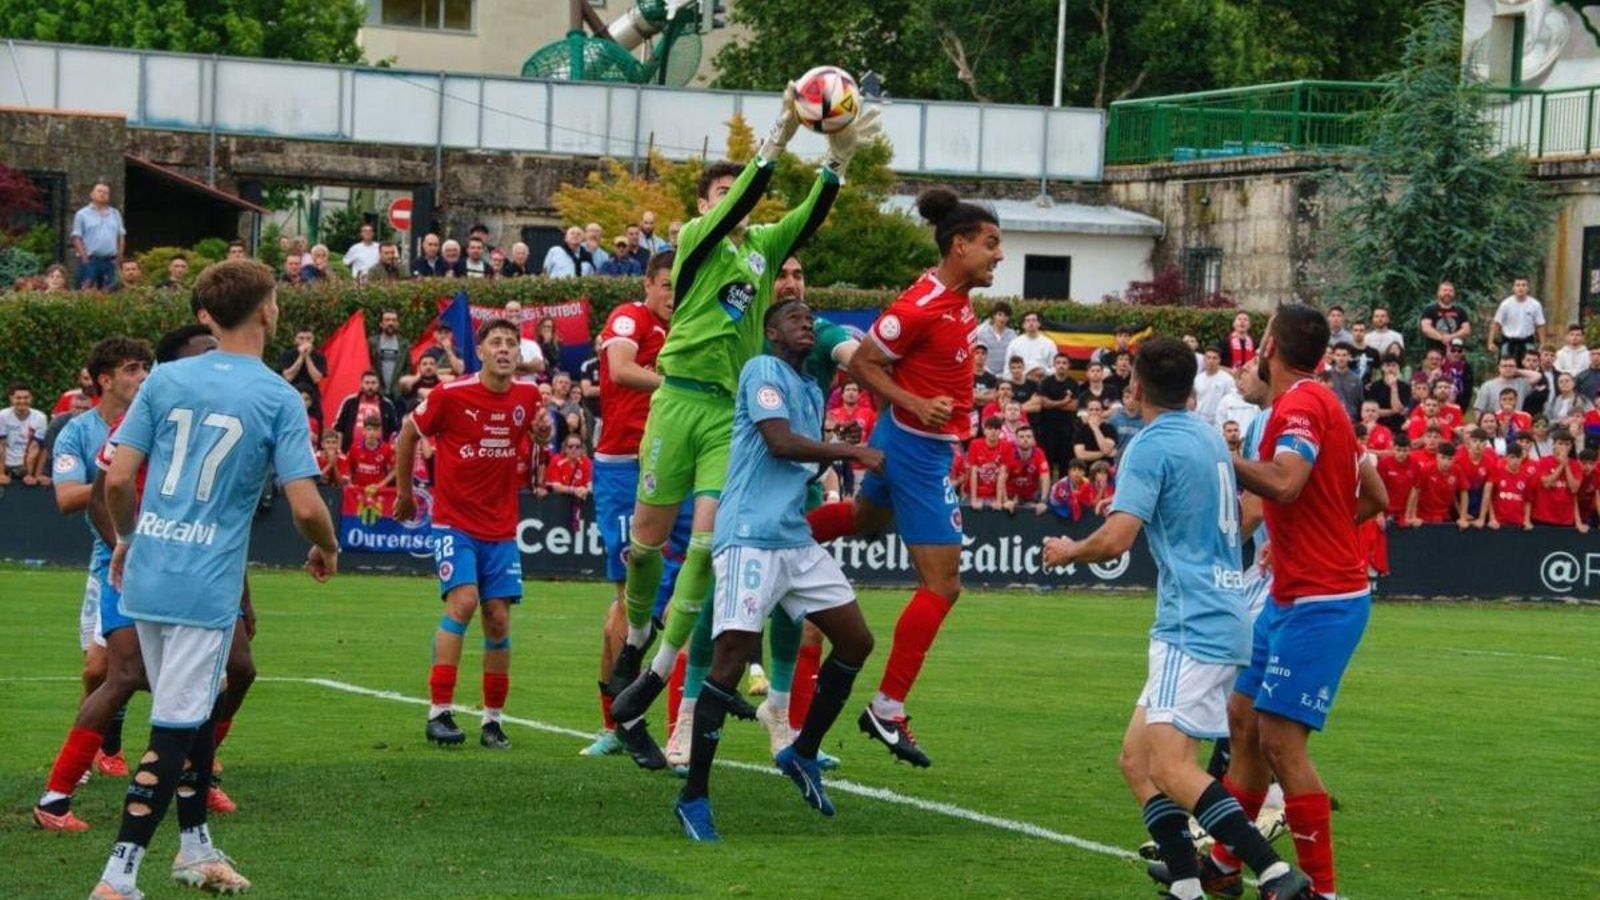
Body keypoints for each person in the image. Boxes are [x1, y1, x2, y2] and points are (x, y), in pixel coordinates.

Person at [605, 91, 875, 764]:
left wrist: (836, 162)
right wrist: (776, 140)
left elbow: (807, 217)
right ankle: (636, 638)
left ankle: (657, 674)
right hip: (677, 402)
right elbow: (744, 197)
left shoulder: (761, 249)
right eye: (722, 194)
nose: (736, 204)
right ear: (704, 205)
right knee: (646, 546)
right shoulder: (696, 241)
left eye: (738, 194)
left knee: (705, 547)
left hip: (728, 412)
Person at [89, 260, 339, 899]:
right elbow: (306, 506)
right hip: (204, 585)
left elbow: (118, 479)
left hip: (148, 571)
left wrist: (126, 540)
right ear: (266, 310)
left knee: (197, 703)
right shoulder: (277, 396)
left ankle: (196, 849)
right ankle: (117, 878)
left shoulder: (166, 378)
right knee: (174, 728)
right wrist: (327, 546)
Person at [1043, 336, 1314, 900]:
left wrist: (1070, 550)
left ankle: (1272, 872)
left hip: (1191, 623)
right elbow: (1236, 516)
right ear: (1190, 387)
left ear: (1136, 386)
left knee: (1170, 768)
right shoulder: (1209, 436)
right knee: (1135, 760)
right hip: (1223, 610)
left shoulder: (1149, 446)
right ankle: (1188, 885)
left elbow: (1118, 538)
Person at [672, 298, 882, 841]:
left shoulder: (811, 389)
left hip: (792, 535)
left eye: (810, 319)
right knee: (730, 660)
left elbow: (802, 456)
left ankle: (802, 752)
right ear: (770, 332)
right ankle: (693, 797)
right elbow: (779, 442)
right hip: (748, 535)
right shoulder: (761, 369)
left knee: (856, 641)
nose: (806, 323)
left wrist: (840, 449)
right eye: (794, 319)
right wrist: (850, 452)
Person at [803, 186, 998, 768]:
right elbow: (864, 363)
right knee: (944, 584)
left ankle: (777, 536)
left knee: (864, 520)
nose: (999, 255)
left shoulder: (953, 296)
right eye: (990, 244)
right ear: (959, 246)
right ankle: (887, 708)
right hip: (918, 450)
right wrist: (916, 403)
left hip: (906, 441)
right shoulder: (919, 307)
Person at [1220, 304, 1387, 900]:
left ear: (1268, 346)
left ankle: (1323, 891)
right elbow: (1375, 493)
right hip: (1290, 595)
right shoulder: (1323, 402)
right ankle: (1223, 862)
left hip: (1323, 600)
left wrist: (1218, 458)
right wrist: (1314, 533)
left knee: (1280, 741)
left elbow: (1286, 483)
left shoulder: (1300, 407)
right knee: (1243, 722)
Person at [395, 319, 551, 749]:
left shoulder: (528, 396)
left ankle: (493, 721)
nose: (504, 349)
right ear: (480, 352)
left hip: (500, 527)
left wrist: (543, 434)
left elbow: (539, 440)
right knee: (464, 602)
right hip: (455, 522)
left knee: (498, 617)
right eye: (495, 342)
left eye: (511, 344)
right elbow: (408, 434)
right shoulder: (450, 394)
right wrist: (405, 493)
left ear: (518, 354)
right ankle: (439, 712)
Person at [30, 337, 152, 833]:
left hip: (159, 557)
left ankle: (186, 762)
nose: (142, 377)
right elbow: (65, 499)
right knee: (101, 669)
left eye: (145, 367)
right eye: (131, 369)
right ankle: (101, 748)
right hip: (110, 560)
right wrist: (113, 475)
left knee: (136, 670)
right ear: (105, 380)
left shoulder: (155, 419)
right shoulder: (77, 432)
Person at [583, 251, 695, 761]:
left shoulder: (689, 328)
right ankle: (616, 722)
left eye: (680, 285)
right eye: (667, 284)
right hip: (625, 467)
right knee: (629, 603)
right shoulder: (630, 317)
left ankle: (676, 731)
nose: (673, 294)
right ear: (647, 284)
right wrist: (679, 384)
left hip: (676, 466)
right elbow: (622, 369)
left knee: (685, 596)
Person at [71, 182, 126, 290]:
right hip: (91, 261)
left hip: (110, 262)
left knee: (111, 294)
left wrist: (119, 257)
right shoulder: (82, 214)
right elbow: (76, 237)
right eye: (99, 191)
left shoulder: (115, 214)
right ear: (92, 194)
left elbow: (121, 236)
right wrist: (85, 259)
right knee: (86, 293)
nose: (102, 194)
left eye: (106, 192)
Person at [1034, 353, 1079, 476]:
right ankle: (1046, 486)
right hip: (1047, 428)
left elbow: (1073, 406)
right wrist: (1063, 402)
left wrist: (1053, 403)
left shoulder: (1073, 384)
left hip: (1067, 429)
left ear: (1069, 366)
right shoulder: (1046, 382)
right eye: (1058, 363)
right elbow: (1044, 404)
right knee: (1047, 461)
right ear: (1054, 364)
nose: (1061, 365)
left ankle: (1063, 486)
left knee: (1065, 463)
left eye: (1064, 363)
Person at [333, 372, 400, 451]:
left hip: (380, 454)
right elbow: (338, 428)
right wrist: (338, 450)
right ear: (361, 384)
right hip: (349, 452)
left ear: (378, 384)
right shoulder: (350, 402)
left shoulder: (387, 404)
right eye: (367, 383)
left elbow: (394, 431)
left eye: (373, 383)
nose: (370, 386)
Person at [1530, 428, 1583, 527]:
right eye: (1560, 443)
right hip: (1543, 517)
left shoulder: (1576, 465)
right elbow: (1546, 483)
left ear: (1571, 446)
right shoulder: (1543, 461)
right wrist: (1562, 465)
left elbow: (1574, 489)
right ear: (1553, 445)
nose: (1564, 447)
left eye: (1567, 444)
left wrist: (1567, 466)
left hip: (1565, 519)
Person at [0, 382, 49, 485]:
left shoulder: (40, 417)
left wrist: (30, 475)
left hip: (25, 465)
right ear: (11, 398)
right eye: (18, 398)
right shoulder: (2, 416)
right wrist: (1, 474)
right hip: (6, 464)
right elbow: (1, 445)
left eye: (26, 398)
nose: (22, 401)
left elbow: (35, 447)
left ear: (31, 398)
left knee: (44, 447)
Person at [1489, 277, 1545, 361]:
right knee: (1506, 366)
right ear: (1513, 288)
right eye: (1518, 285)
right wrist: (1490, 342)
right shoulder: (1506, 304)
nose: (1520, 288)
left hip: (1527, 341)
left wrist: (1542, 344)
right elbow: (1496, 324)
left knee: (1530, 366)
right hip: (1509, 341)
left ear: (1528, 288)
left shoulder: (1535, 305)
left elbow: (1540, 325)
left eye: (1523, 285)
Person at [1486, 443, 1534, 530]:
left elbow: (1527, 501)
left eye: (1518, 457)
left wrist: (1526, 520)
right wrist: (1492, 518)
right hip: (1498, 524)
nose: (1515, 461)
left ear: (1522, 458)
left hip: (1518, 524)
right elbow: (1488, 498)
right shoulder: (1497, 473)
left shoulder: (1526, 477)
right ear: (1506, 457)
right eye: (1512, 457)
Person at [1004, 424, 1050, 514]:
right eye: (1021, 437)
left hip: (1032, 495)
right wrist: (1005, 500)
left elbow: (1045, 477)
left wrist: (1043, 501)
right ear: (1016, 440)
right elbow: (1001, 478)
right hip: (1011, 495)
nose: (1025, 439)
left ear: (1033, 439)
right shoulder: (1009, 453)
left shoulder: (1039, 453)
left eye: (1029, 437)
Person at [278, 327, 328, 409]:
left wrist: (307, 357)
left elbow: (316, 378)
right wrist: (301, 356)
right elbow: (288, 377)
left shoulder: (319, 356)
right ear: (295, 340)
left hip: (312, 397)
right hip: (291, 395)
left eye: (308, 338)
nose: (305, 341)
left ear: (313, 339)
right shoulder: (287, 355)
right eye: (301, 338)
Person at [1420, 280, 1471, 354]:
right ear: (1438, 293)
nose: (1447, 293)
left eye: (1450, 291)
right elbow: (1426, 329)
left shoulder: (1460, 311)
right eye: (1444, 290)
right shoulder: (1429, 310)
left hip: (1455, 352)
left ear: (1454, 293)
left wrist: (1451, 337)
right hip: (1434, 352)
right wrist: (1442, 338)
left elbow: (1466, 330)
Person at [346, 415, 396, 490]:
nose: (372, 433)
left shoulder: (386, 448)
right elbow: (348, 468)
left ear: (379, 432)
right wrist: (350, 483)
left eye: (375, 430)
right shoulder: (354, 448)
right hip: (358, 490)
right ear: (364, 431)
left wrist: (381, 484)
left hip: (377, 490)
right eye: (369, 429)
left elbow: (395, 470)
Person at [1004, 312, 1057, 380]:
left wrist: (1044, 371)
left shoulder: (1049, 343)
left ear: (1039, 324)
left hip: (1042, 381)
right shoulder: (1014, 343)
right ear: (1023, 325)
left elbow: (1055, 368)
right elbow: (1007, 370)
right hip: (1021, 382)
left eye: (1034, 320)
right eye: (1028, 320)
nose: (1031, 323)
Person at [1192, 349, 1237, 427]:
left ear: (1219, 360)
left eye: (1214, 358)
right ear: (1204, 359)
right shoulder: (1198, 379)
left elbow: (1231, 402)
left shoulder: (1227, 380)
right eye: (1208, 357)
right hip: (1199, 420)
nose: (1211, 361)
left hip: (1217, 422)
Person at [974, 301, 1016, 376]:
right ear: (994, 316)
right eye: (999, 314)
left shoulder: (1013, 335)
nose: (1002, 318)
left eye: (1005, 316)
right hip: (986, 374)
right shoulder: (981, 332)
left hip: (1005, 376)